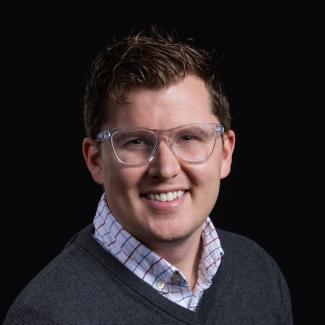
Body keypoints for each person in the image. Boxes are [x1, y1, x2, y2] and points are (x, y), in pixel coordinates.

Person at [4, 28, 293, 324]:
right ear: (95, 161)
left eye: (189, 137)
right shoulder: (45, 316)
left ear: (225, 153)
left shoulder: (258, 271)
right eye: (136, 142)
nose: (166, 169)